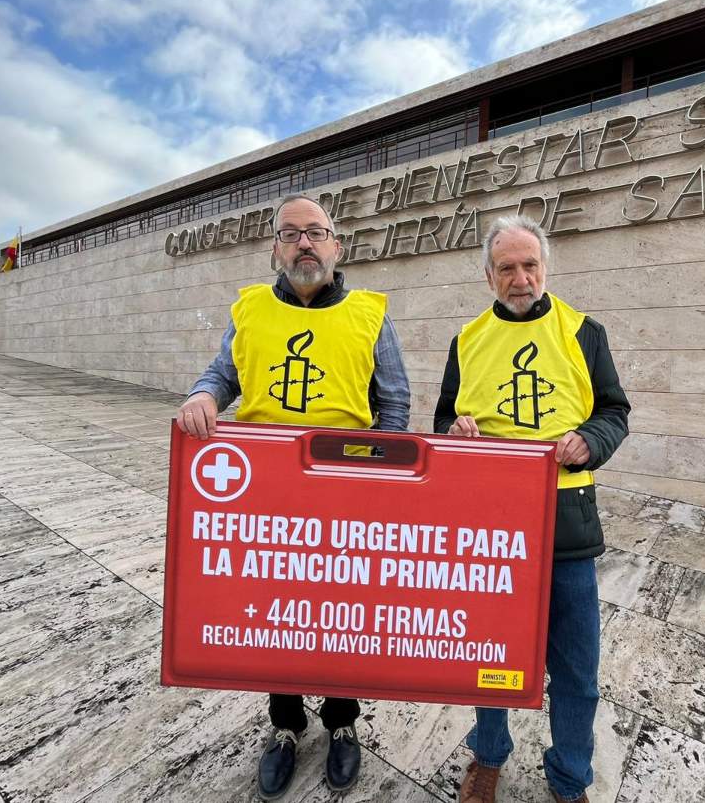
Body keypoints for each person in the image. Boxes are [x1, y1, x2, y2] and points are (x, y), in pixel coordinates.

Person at [176, 194, 410, 800]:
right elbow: (222, 375)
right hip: (265, 492)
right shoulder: (250, 310)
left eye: (316, 233)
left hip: (343, 489)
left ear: (337, 245)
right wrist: (204, 396)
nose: (304, 244)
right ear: (275, 250)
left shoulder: (370, 314)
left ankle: (341, 723)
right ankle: (283, 725)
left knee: (333, 612)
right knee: (275, 611)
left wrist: (379, 478)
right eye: (291, 234)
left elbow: (394, 406)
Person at [434, 215, 629, 803]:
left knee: (575, 669)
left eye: (530, 266)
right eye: (507, 268)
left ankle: (569, 778)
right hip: (491, 530)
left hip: (565, 528)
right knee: (492, 656)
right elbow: (443, 420)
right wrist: (456, 431)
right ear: (489, 277)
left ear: (544, 268)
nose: (520, 279)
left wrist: (589, 441)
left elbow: (614, 411)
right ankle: (488, 757)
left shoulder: (582, 332)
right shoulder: (467, 341)